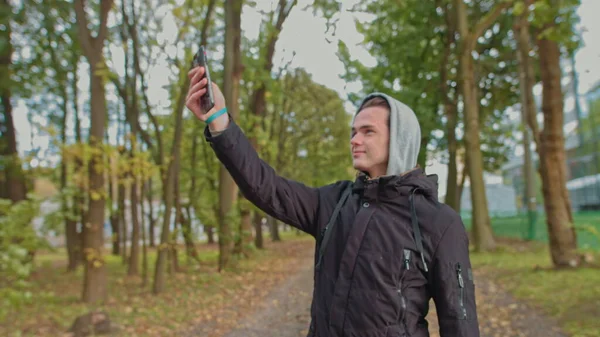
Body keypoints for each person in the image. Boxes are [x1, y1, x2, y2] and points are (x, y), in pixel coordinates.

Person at [186, 66, 480, 337]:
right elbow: (267, 187)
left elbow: (460, 321)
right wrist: (218, 119)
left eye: (368, 131)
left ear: (399, 139)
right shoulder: (334, 202)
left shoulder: (439, 223)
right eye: (354, 131)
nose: (354, 139)